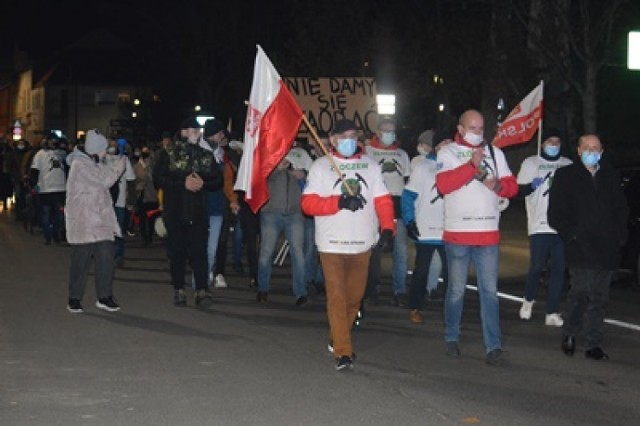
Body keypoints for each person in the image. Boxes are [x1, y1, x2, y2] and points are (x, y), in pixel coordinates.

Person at [302, 118, 395, 371]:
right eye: (342, 137)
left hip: (362, 244)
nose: (348, 141)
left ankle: (337, 335)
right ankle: (343, 351)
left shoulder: (371, 166)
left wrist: (388, 228)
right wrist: (338, 203)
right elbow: (308, 204)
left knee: (354, 298)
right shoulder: (321, 167)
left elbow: (383, 200)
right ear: (332, 140)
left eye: (352, 135)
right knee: (337, 297)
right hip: (331, 244)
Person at [435, 109, 518, 365]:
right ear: (460, 129)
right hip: (458, 234)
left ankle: (493, 346)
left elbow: (512, 187)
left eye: (481, 129)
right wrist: (472, 165)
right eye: (472, 128)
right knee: (457, 291)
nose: (477, 133)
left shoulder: (495, 153)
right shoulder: (447, 152)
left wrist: (498, 186)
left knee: (489, 293)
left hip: (488, 234)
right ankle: (451, 336)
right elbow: (444, 185)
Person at [548, 134, 628, 361]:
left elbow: (621, 209)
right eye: (587, 147)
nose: (592, 151)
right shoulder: (566, 176)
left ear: (602, 151)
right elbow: (556, 214)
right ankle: (570, 333)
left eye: (596, 147)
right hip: (579, 245)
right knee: (580, 291)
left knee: (600, 297)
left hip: (607, 246)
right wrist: (572, 234)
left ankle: (593, 342)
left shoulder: (610, 176)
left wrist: (620, 234)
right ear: (579, 150)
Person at [154, 117, 223, 307]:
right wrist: (182, 184)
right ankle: (179, 289)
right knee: (178, 253)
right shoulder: (168, 154)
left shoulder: (205, 155)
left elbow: (218, 180)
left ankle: (202, 290)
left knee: (200, 252)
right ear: (183, 132)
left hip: (199, 212)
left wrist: (204, 183)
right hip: (175, 212)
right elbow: (158, 179)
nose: (197, 133)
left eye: (198, 129)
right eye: (192, 129)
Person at [65, 129, 126, 313]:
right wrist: (119, 167)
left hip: (100, 220)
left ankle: (105, 296)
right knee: (81, 261)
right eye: (103, 149)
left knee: (107, 258)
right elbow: (104, 182)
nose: (105, 152)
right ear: (94, 149)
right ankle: (74, 298)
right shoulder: (79, 164)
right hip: (84, 220)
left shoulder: (93, 162)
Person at [516, 128, 572, 326]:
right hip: (539, 224)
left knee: (558, 268)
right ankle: (528, 301)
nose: (554, 145)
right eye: (550, 141)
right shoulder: (531, 163)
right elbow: (517, 190)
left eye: (557, 141)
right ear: (542, 143)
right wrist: (531, 186)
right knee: (537, 267)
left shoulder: (567, 164)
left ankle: (552, 312)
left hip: (561, 227)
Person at [402, 129, 451, 324]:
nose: (446, 147)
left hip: (450, 230)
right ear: (436, 146)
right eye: (443, 143)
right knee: (421, 272)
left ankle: (451, 310)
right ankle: (415, 307)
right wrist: (409, 221)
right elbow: (408, 196)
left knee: (452, 274)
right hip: (426, 230)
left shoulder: (458, 167)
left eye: (450, 142)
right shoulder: (423, 168)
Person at [364, 116, 411, 306]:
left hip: (397, 204)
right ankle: (372, 288)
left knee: (400, 251)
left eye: (392, 130)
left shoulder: (402, 154)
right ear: (377, 132)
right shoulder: (367, 152)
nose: (389, 134)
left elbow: (407, 181)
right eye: (385, 130)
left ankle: (399, 290)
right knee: (374, 250)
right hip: (375, 205)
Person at [255, 149, 308, 306]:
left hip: (295, 212)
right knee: (266, 252)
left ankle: (301, 292)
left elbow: (313, 176)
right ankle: (263, 289)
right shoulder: (271, 152)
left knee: (298, 253)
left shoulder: (301, 154)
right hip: (271, 212)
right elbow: (259, 177)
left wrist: (303, 175)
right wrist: (277, 169)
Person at [202, 119, 228, 288]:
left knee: (211, 250)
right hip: (200, 208)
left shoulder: (221, 155)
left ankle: (204, 281)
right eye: (220, 133)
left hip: (217, 208)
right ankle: (201, 285)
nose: (223, 136)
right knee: (200, 248)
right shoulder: (199, 152)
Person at [30, 136, 67, 244]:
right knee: (46, 214)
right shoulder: (40, 154)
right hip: (45, 189)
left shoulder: (62, 154)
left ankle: (56, 235)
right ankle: (48, 236)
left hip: (60, 189)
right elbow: (35, 170)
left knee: (59, 215)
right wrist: (34, 183)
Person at [105, 139, 136, 266]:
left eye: (115, 145)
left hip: (120, 201)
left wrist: (131, 201)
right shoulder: (102, 159)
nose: (113, 148)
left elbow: (131, 180)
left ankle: (119, 255)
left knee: (119, 229)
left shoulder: (124, 160)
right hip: (104, 201)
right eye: (110, 145)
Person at [134, 145, 159, 246]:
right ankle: (144, 237)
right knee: (143, 218)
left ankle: (149, 237)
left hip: (152, 195)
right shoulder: (137, 166)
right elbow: (138, 179)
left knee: (151, 217)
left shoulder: (153, 166)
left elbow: (154, 179)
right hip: (142, 195)